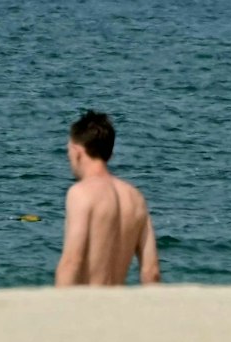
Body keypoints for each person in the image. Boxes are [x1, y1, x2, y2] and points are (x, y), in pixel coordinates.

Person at [55, 110, 161, 287]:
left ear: (77, 152)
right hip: (118, 308)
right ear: (109, 154)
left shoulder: (81, 193)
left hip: (87, 306)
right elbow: (151, 272)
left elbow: (72, 261)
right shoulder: (135, 198)